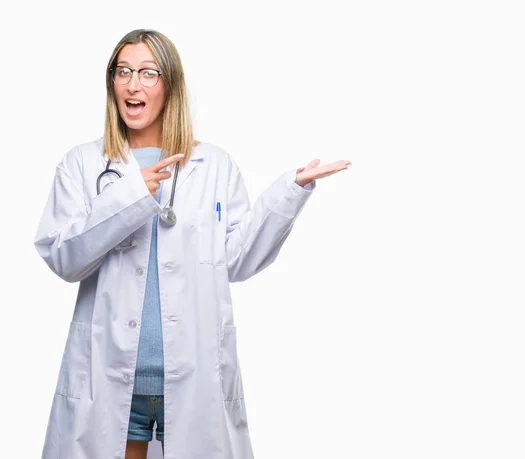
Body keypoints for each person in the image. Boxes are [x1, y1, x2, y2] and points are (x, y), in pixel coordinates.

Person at [33, 28, 351, 459]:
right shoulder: (83, 164)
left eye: (148, 72)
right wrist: (131, 197)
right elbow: (65, 258)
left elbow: (236, 261)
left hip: (193, 378)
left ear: (170, 85)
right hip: (107, 383)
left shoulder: (213, 165)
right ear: (112, 81)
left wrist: (288, 193)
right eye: (123, 71)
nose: (133, 84)